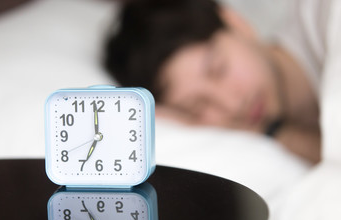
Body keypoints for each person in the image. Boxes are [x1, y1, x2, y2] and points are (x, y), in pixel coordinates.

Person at [104, 0, 326, 163]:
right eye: (197, 105)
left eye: (219, 70)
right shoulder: (274, 134)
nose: (232, 105)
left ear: (236, 23)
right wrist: (274, 133)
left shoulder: (326, 17)